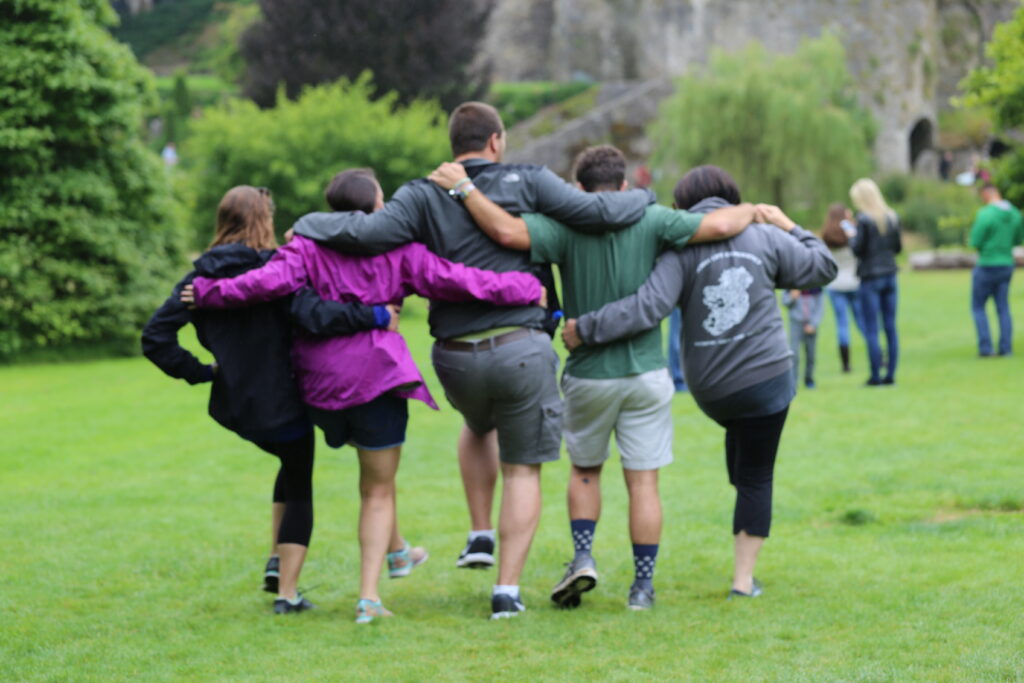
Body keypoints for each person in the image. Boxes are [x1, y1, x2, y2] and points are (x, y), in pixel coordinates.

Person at [287, 102, 645, 619]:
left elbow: (363, 234)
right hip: (520, 345)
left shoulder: (419, 194)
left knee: (479, 424)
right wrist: (649, 200)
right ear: (496, 140)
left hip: (454, 358)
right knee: (523, 471)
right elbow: (597, 213)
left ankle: (480, 533)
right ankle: (506, 593)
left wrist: (306, 222)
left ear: (453, 145)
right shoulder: (532, 181)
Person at [184, 169, 546, 623]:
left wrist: (205, 292)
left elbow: (260, 284)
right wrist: (527, 287)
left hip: (319, 387)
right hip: (376, 379)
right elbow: (459, 279)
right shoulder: (401, 253)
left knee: (370, 471)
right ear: (378, 209)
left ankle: (397, 552)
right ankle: (369, 598)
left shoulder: (305, 246)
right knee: (376, 489)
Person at [428, 149, 755, 611]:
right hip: (646, 372)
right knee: (644, 484)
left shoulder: (563, 226)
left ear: (578, 191)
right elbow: (721, 225)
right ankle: (642, 588)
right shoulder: (656, 218)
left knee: (585, 472)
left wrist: (465, 190)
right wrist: (757, 211)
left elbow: (504, 230)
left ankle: (583, 557)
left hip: (588, 375)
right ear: (623, 187)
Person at [562, 165, 837, 599]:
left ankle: (745, 518)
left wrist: (587, 327)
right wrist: (788, 224)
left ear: (683, 207)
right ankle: (743, 583)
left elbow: (646, 306)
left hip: (713, 390)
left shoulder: (680, 249)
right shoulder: (766, 238)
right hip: (767, 378)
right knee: (755, 477)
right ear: (733, 198)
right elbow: (823, 266)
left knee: (744, 463)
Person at [142, 185, 391, 615]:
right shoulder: (277, 271)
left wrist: (205, 372)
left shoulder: (198, 279)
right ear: (265, 220)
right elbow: (315, 314)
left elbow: (155, 337)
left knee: (288, 465)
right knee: (299, 486)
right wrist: (373, 314)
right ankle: (287, 594)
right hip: (285, 402)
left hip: (237, 405)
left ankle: (278, 562)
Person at [849, 178, 902, 386]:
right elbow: (897, 248)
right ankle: (890, 374)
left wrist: (851, 235)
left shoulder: (864, 220)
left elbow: (857, 249)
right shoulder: (892, 217)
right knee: (890, 326)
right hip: (890, 275)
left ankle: (875, 375)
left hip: (871, 277)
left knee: (872, 328)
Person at [969, 183, 1023, 357]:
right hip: (1006, 264)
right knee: (1003, 307)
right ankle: (1006, 348)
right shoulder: (1015, 214)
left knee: (978, 307)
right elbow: (1018, 239)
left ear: (986, 194)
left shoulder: (985, 214)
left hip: (986, 264)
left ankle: (986, 348)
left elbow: (975, 241)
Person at [821, 204, 864, 372]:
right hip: (855, 282)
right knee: (861, 321)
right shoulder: (851, 233)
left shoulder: (826, 236)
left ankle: (846, 364)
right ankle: (877, 355)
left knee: (842, 324)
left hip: (835, 284)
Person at [782, 287, 825, 389]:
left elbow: (820, 308)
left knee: (811, 353)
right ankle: (793, 380)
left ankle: (809, 378)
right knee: (794, 352)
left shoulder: (816, 287)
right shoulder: (791, 285)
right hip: (796, 322)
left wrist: (813, 324)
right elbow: (785, 303)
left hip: (811, 324)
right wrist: (792, 297)